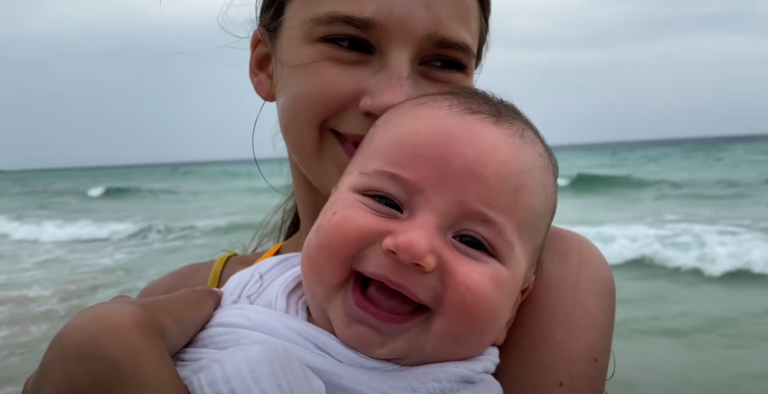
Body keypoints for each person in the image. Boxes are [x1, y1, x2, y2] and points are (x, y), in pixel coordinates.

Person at [23, 0, 616, 393]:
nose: (394, 98)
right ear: (265, 64)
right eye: (351, 43)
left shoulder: (550, 276)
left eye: (442, 61)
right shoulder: (190, 297)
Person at [174, 87, 559, 394]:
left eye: (472, 242)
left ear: (511, 310)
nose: (412, 247)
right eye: (385, 201)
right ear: (330, 202)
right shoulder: (255, 286)